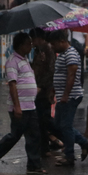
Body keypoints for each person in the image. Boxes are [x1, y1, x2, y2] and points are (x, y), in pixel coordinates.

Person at [0, 33, 46, 174]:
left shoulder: (25, 60)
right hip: (20, 107)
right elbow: (12, 85)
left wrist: (39, 62)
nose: (31, 45)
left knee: (34, 135)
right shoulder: (12, 61)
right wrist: (17, 106)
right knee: (14, 136)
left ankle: (34, 165)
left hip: (30, 105)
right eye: (29, 43)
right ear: (21, 45)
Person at [48, 29, 88, 167]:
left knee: (65, 126)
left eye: (54, 44)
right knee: (58, 126)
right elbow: (59, 74)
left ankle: (69, 156)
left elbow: (72, 75)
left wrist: (66, 95)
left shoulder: (71, 53)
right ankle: (84, 143)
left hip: (70, 96)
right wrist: (54, 91)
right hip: (62, 96)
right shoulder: (62, 54)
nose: (53, 47)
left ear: (62, 41)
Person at [29, 28, 63, 157]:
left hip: (44, 91)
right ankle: (44, 148)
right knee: (40, 121)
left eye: (33, 39)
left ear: (38, 38)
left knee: (46, 120)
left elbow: (50, 71)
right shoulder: (38, 51)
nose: (32, 42)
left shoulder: (48, 49)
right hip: (38, 90)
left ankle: (72, 138)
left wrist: (43, 87)